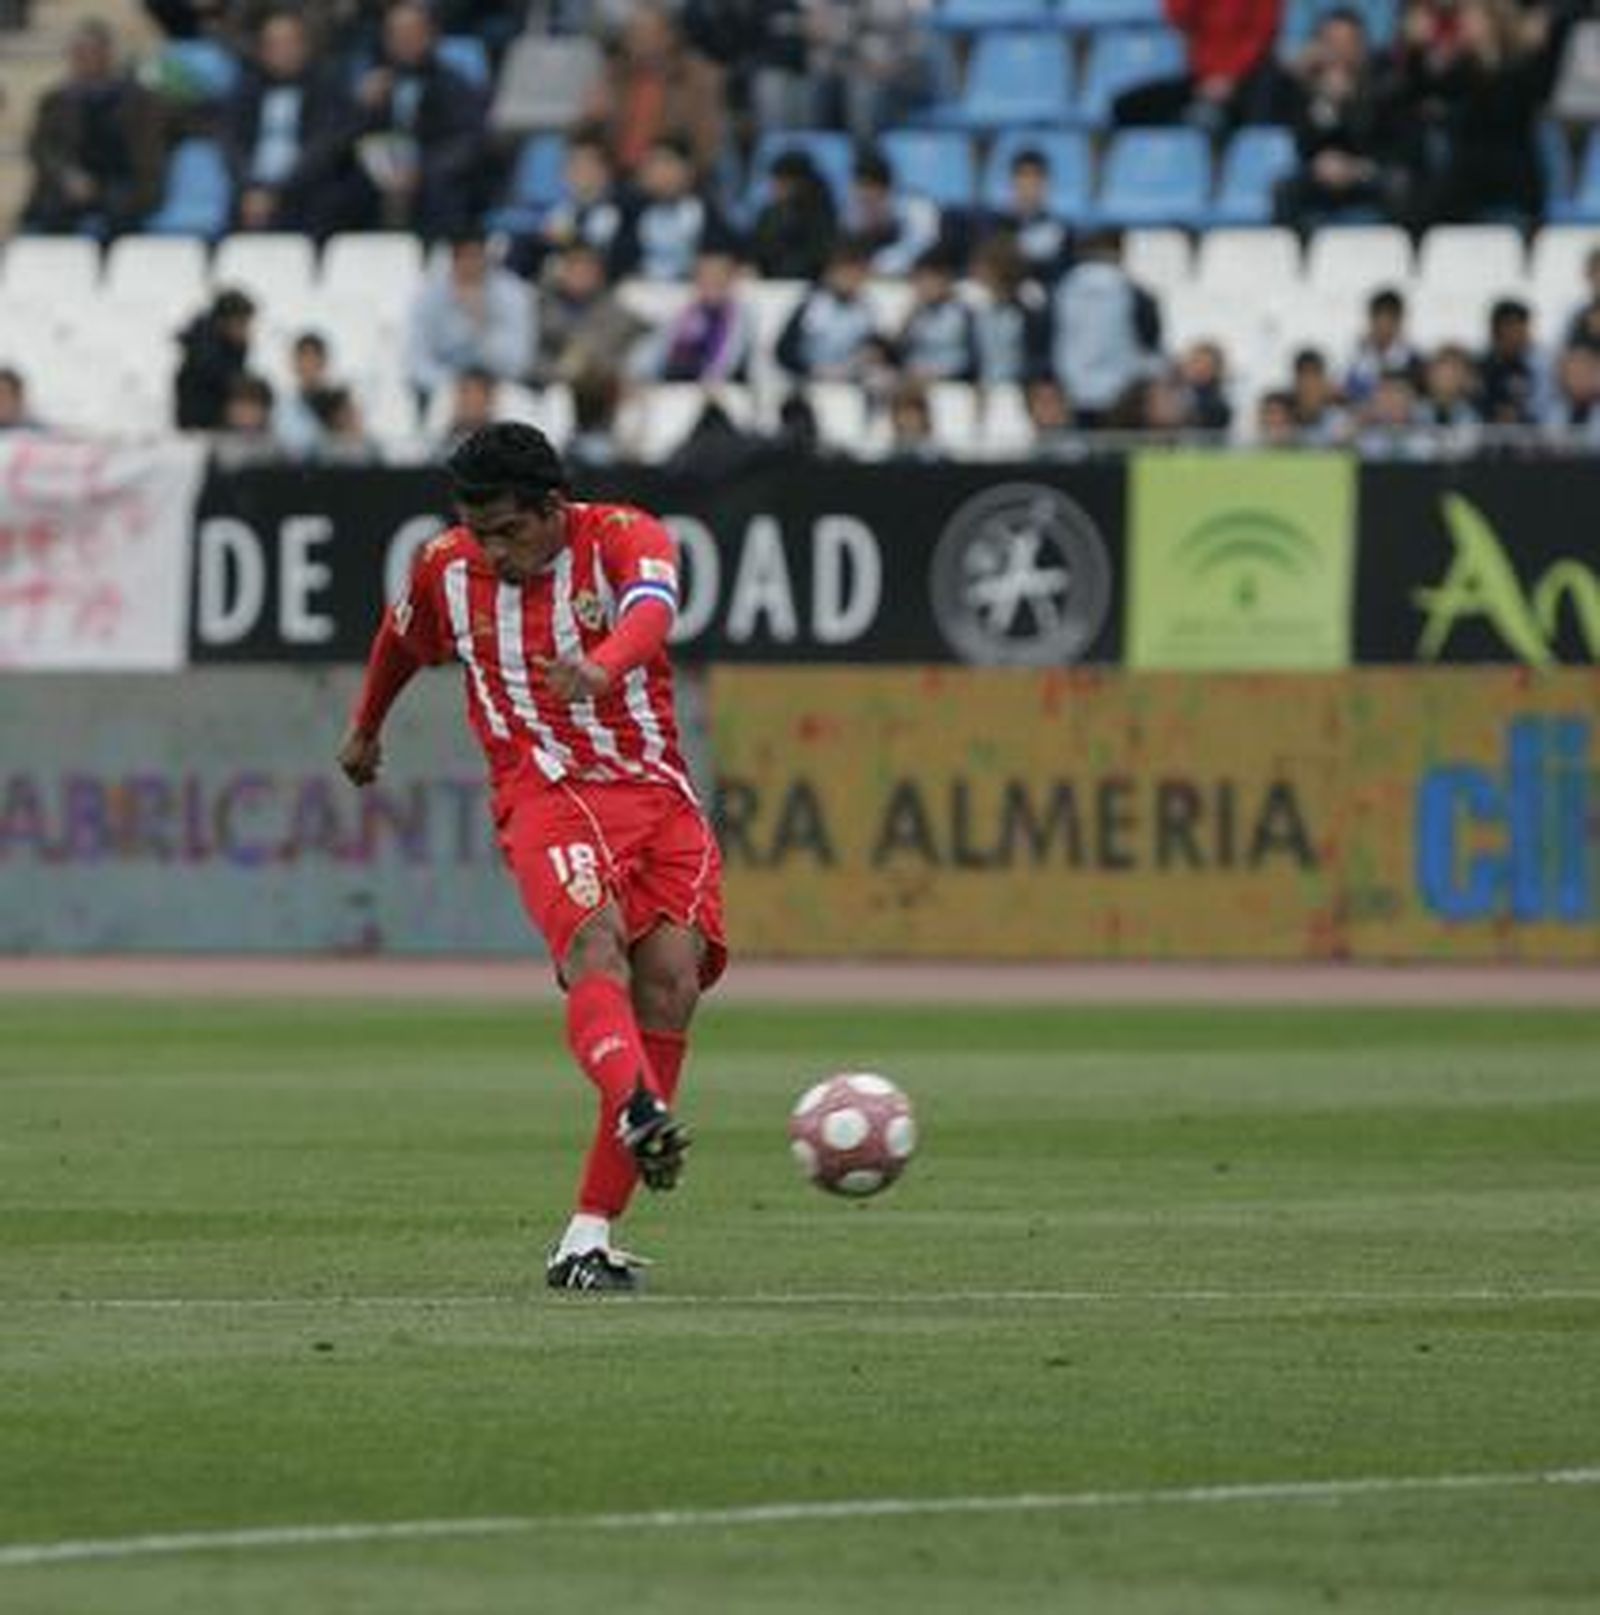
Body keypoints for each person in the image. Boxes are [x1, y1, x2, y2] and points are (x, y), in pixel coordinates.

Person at [338, 423, 724, 1292]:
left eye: (508, 531)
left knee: (672, 980)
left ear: (554, 510)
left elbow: (654, 611)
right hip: (544, 794)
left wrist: (602, 666)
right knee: (594, 944)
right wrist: (366, 726)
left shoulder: (625, 537)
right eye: (479, 531)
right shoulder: (446, 566)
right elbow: (401, 639)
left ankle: (586, 1238)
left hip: (655, 794)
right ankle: (636, 1104)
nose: (491, 549)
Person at [348, 0, 489, 237]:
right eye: (396, 34)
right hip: (379, 176)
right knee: (337, 192)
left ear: (431, 35)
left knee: (445, 192)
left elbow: (467, 141)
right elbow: (348, 139)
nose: (404, 41)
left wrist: (421, 171)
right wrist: (362, 107)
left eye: (411, 33)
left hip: (431, 173)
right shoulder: (375, 84)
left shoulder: (453, 85)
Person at [223, 8, 364, 238]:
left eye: (289, 43)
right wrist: (252, 186)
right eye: (273, 44)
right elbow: (232, 145)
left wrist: (276, 191)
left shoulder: (329, 88)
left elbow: (324, 148)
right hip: (252, 191)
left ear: (306, 46)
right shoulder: (245, 91)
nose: (282, 51)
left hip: (307, 191)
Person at [22, 19, 164, 238]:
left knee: (121, 213)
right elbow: (41, 147)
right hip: (69, 184)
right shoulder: (56, 101)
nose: (85, 59)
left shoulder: (137, 99)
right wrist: (67, 175)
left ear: (107, 54)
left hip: (123, 182)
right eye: (78, 53)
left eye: (92, 51)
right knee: (49, 212)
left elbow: (149, 152)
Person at [406, 235, 535, 403]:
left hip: (496, 387)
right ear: (453, 261)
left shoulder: (512, 293)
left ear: (486, 260)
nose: (471, 266)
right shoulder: (428, 298)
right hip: (444, 389)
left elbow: (517, 363)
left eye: (476, 258)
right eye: (464, 258)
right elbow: (416, 362)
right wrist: (455, 386)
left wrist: (480, 324)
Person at [174, 288, 258, 430]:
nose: (246, 330)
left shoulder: (233, 350)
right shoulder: (202, 359)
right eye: (241, 323)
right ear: (222, 322)